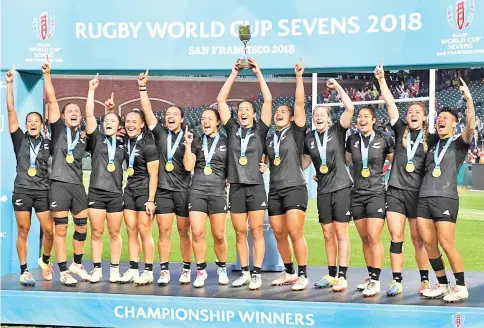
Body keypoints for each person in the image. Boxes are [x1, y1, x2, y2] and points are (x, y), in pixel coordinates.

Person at [374, 62, 431, 297]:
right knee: (396, 237)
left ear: (425, 117)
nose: (413, 114)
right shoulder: (400, 131)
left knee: (419, 240)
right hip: (396, 191)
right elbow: (389, 103)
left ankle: (425, 280)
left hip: (418, 195)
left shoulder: (432, 138)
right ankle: (397, 280)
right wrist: (381, 80)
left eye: (418, 112)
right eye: (410, 112)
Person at [216, 58, 272, 290]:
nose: (243, 112)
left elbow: (268, 99)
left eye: (247, 109)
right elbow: (220, 100)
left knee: (256, 230)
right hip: (236, 186)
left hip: (256, 185)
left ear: (254, 114)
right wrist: (233, 74)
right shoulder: (231, 129)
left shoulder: (260, 129)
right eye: (240, 110)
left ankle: (257, 274)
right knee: (240, 232)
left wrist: (258, 72)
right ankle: (246, 273)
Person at [418, 78, 475, 302]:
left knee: (446, 242)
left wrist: (469, 100)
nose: (440, 120)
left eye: (446, 118)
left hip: (446, 197)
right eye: (439, 118)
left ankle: (460, 286)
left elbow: (470, 126)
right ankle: (442, 284)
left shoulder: (460, 142)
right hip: (424, 197)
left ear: (453, 124)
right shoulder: (432, 144)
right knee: (429, 244)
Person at [137, 70, 192, 286]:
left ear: (182, 119)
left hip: (184, 190)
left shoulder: (189, 137)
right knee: (164, 232)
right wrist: (143, 88)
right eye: (168, 114)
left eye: (174, 114)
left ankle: (187, 269)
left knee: (184, 231)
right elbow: (148, 111)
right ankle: (164, 271)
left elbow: (189, 165)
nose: (170, 117)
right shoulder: (160, 133)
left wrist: (188, 146)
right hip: (164, 191)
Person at [302, 78, 354, 292]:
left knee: (341, 232)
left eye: (322, 114)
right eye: (315, 114)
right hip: (323, 189)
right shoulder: (308, 137)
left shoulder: (337, 132)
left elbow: (349, 108)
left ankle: (342, 275)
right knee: (326, 233)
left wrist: (338, 88)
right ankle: (332, 274)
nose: (318, 117)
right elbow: (304, 163)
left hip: (341, 187)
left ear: (329, 118)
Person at [43, 60, 90, 286]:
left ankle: (76, 264)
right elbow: (52, 100)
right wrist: (47, 76)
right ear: (62, 116)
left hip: (77, 185)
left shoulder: (83, 138)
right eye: (70, 110)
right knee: (60, 228)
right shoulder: (58, 130)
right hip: (59, 184)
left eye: (77, 111)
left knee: (82, 225)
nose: (74, 113)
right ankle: (62, 270)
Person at [6, 67, 53, 285]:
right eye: (29, 121)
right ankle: (24, 270)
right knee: (23, 230)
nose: (32, 123)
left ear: (42, 125)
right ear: (26, 125)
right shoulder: (19, 139)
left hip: (43, 190)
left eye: (36, 120)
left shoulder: (47, 143)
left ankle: (45, 261)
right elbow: (10, 111)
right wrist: (8, 85)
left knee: (49, 231)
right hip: (23, 190)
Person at [265, 59, 308, 291]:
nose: (279, 113)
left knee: (294, 231)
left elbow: (299, 104)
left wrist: (299, 77)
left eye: (284, 112)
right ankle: (289, 272)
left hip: (295, 187)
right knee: (280, 233)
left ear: (291, 118)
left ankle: (303, 274)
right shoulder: (270, 137)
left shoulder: (296, 132)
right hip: (275, 189)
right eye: (277, 111)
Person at [345, 106, 394, 297]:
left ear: (373, 120)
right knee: (365, 238)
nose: (362, 119)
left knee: (374, 236)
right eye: (359, 116)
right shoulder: (352, 139)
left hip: (376, 193)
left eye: (366, 116)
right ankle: (370, 275)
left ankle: (375, 280)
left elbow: (395, 161)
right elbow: (345, 161)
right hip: (357, 194)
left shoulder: (383, 139)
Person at [84, 75, 125, 283]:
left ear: (119, 126)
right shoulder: (97, 138)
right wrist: (92, 91)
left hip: (116, 193)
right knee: (97, 233)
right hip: (96, 192)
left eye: (112, 121)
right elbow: (89, 114)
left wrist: (112, 110)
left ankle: (115, 269)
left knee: (115, 233)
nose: (108, 123)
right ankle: (97, 269)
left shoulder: (123, 143)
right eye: (106, 121)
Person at [183, 108, 229, 288]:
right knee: (197, 233)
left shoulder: (226, 141)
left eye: (210, 119)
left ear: (217, 121)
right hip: (197, 192)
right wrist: (187, 146)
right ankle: (200, 271)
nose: (206, 122)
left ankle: (221, 267)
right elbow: (188, 166)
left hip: (218, 192)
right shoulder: (195, 141)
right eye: (203, 119)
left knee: (219, 235)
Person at [118, 110, 159, 285]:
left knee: (144, 231)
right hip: (129, 190)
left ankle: (148, 271)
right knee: (131, 231)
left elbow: (154, 175)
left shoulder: (149, 145)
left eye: (135, 121)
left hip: (144, 191)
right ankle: (134, 268)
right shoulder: (127, 141)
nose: (130, 124)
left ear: (142, 124)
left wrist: (151, 200)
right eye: (128, 121)